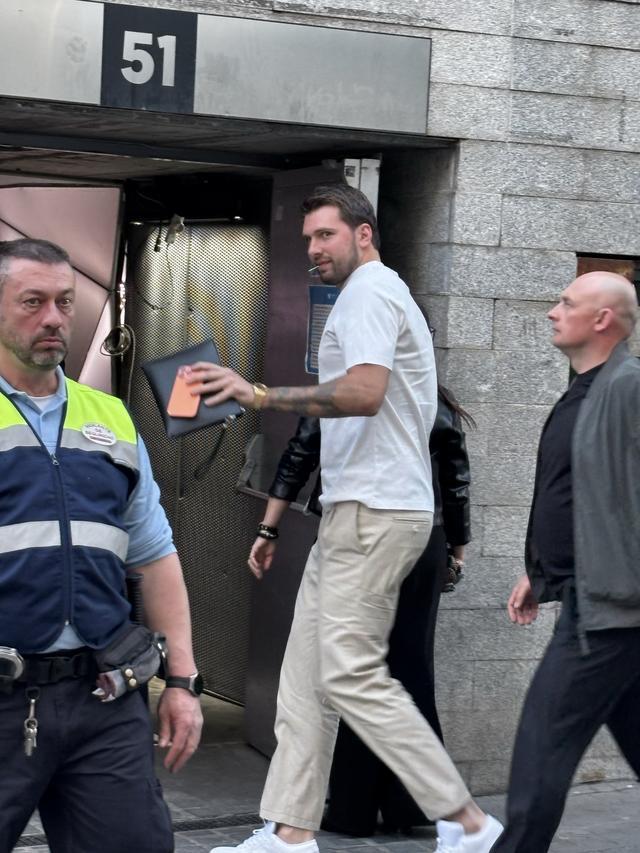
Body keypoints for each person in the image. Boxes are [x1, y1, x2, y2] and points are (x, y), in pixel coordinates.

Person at [185, 184, 502, 853]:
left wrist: (258, 393)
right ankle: (290, 833)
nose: (313, 249)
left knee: (348, 673)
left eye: (325, 235)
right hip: (353, 511)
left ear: (363, 233)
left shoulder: (370, 293)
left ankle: (467, 822)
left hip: (377, 512)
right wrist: (274, 523)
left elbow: (363, 392)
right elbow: (338, 419)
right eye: (307, 238)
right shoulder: (371, 296)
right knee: (304, 679)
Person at [0, 238, 203, 853]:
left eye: (65, 301)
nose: (54, 318)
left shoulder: (110, 418)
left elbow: (155, 557)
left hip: (102, 696)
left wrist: (182, 682)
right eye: (32, 302)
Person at [248, 383, 474, 837]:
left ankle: (354, 807)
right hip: (423, 540)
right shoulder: (432, 400)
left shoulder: (345, 391)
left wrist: (269, 528)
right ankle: (412, 806)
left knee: (349, 667)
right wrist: (457, 551)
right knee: (407, 668)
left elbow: (300, 452)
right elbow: (456, 479)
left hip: (359, 534)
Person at [492, 271, 640, 853]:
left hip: (608, 613)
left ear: (602, 319)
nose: (553, 311)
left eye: (566, 302)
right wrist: (542, 571)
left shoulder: (628, 388)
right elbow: (587, 494)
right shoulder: (587, 390)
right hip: (595, 596)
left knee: (541, 749)